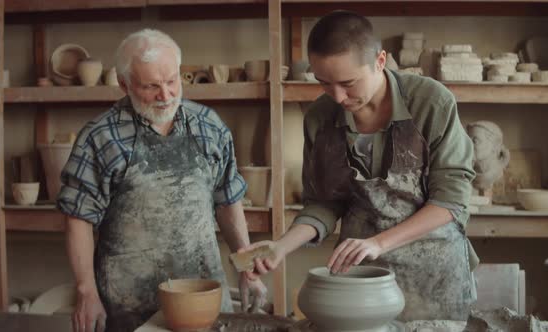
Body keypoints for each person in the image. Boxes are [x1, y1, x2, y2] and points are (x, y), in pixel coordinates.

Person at [241, 11, 478, 321]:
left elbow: (450, 200)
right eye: (324, 83)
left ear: (380, 61)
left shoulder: (430, 102)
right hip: (361, 274)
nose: (338, 96)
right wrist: (281, 247)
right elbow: (325, 202)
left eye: (348, 83)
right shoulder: (320, 117)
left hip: (433, 269)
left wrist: (379, 243)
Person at [57, 29, 267, 332]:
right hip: (129, 305)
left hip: (203, 298)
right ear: (124, 83)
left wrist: (248, 269)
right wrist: (86, 291)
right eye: (151, 86)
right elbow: (78, 218)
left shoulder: (208, 126)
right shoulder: (101, 137)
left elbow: (228, 199)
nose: (166, 95)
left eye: (172, 81)